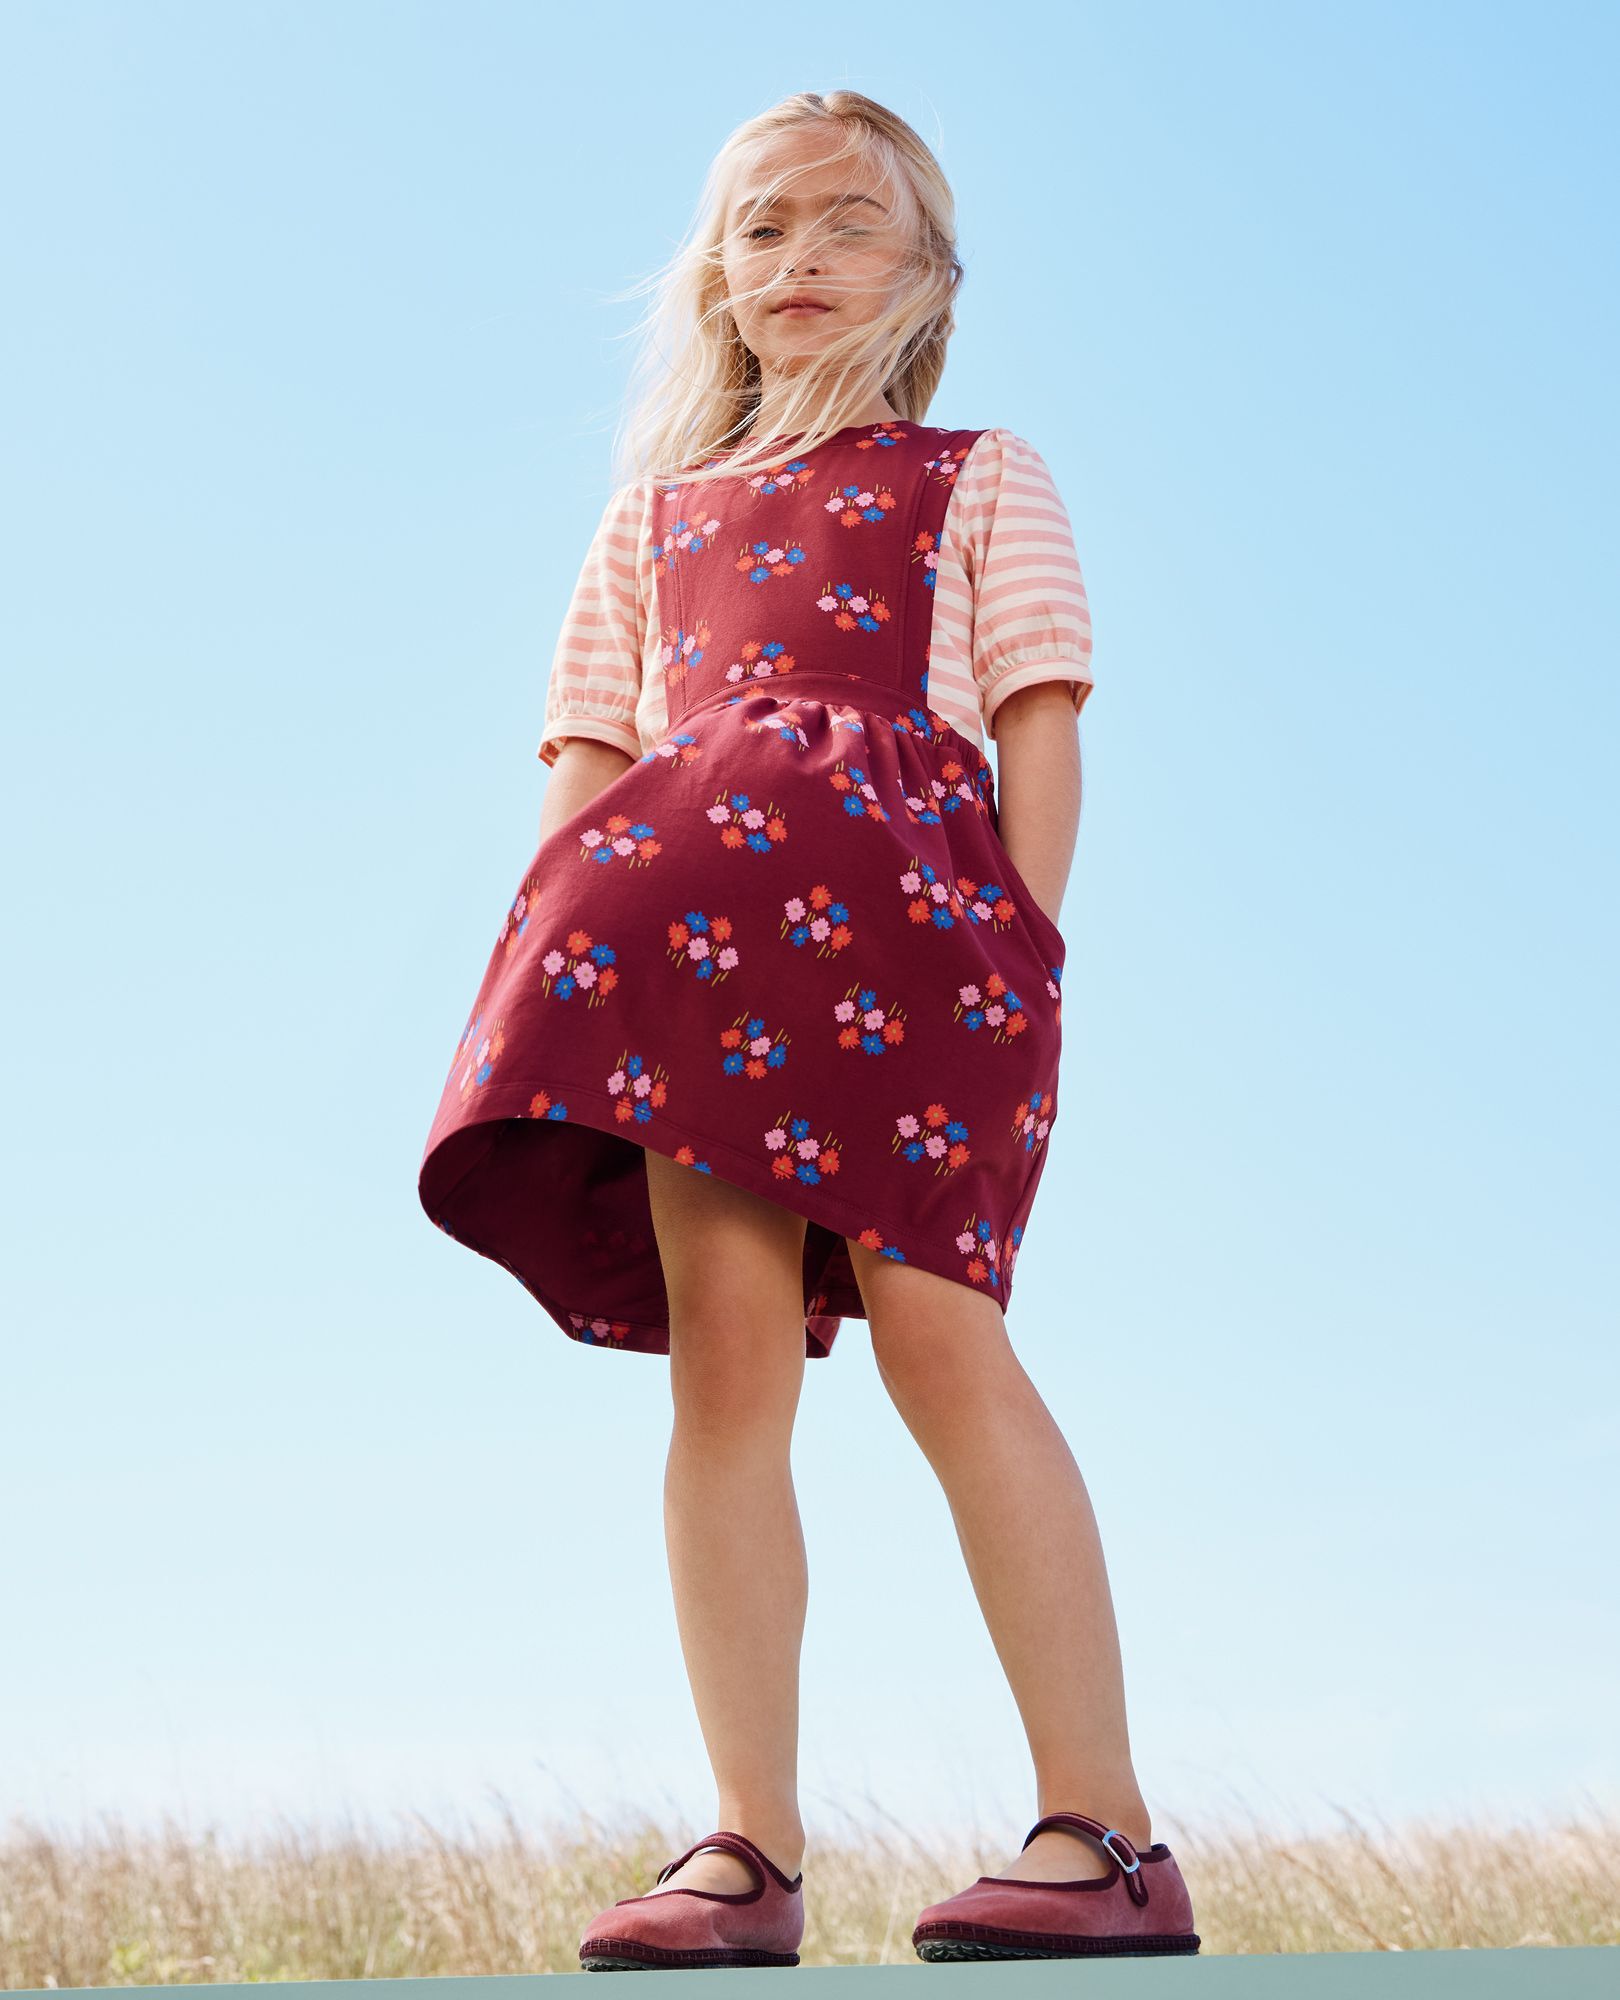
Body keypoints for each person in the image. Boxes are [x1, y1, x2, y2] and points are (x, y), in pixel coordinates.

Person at [417, 88, 1200, 1970]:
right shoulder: (650, 522)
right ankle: (747, 1850)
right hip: (686, 979)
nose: (798, 258)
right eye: (760, 228)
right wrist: (562, 989)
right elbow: (592, 769)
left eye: (847, 225)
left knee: (944, 1341)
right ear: (712, 272)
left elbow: (1039, 718)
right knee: (726, 1368)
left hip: (916, 956)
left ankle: (1105, 1831)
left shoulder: (981, 474)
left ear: (925, 278)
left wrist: (1023, 944)